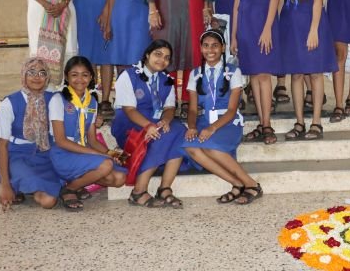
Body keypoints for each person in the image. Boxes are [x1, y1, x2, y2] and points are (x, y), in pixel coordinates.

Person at [184, 30, 262, 204]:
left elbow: (232, 110)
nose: (210, 50)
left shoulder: (233, 71)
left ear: (223, 47)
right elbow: (193, 109)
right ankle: (237, 183)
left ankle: (252, 184)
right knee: (190, 147)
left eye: (215, 46)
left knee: (211, 146)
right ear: (200, 48)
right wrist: (192, 127)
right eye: (206, 46)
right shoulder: (195, 74)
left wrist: (212, 128)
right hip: (204, 121)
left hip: (227, 122)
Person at [111, 40, 189, 208]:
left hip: (155, 122)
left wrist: (166, 120)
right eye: (158, 54)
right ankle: (138, 191)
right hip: (129, 123)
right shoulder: (128, 75)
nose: (162, 60)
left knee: (179, 130)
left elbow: (169, 108)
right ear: (147, 55)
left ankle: (165, 188)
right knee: (161, 136)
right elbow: (129, 110)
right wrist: (149, 126)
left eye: (167, 57)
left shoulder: (166, 80)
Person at [279, 0, 337, 139]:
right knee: (295, 74)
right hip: (290, 19)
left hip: (311, 18)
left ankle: (316, 122)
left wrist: (313, 30)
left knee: (314, 72)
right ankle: (299, 122)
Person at [49, 56, 127, 211]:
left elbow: (92, 139)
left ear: (91, 77)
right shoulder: (58, 99)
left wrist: (112, 153)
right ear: (66, 77)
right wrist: (99, 155)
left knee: (119, 179)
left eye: (85, 75)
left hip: (83, 153)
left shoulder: (91, 102)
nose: (80, 79)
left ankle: (78, 182)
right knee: (105, 164)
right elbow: (61, 141)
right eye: (74, 75)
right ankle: (70, 189)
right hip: (63, 154)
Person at [230, 0, 281, 145]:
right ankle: (261, 123)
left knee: (263, 74)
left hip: (262, 18)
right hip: (245, 21)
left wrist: (268, 28)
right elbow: (236, 0)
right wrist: (233, 35)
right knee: (253, 75)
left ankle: (267, 124)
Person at [0, 58, 61, 211]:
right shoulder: (9, 103)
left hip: (45, 153)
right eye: (31, 72)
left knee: (55, 189)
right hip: (17, 155)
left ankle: (26, 188)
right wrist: (5, 186)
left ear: (47, 77)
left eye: (42, 73)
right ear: (23, 75)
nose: (36, 77)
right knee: (48, 200)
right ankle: (19, 185)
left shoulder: (53, 99)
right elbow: (2, 145)